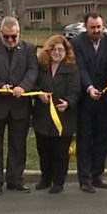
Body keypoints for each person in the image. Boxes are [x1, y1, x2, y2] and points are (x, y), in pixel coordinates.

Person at [0, 16, 38, 196]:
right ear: (0, 33)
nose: (11, 41)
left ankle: (15, 179)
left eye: (14, 36)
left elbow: (32, 71)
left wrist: (23, 87)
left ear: (19, 33)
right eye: (7, 37)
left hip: (19, 106)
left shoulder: (29, 49)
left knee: (18, 145)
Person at [71, 12, 107, 193]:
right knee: (84, 140)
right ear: (86, 27)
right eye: (93, 27)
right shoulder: (77, 43)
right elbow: (80, 68)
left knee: (103, 138)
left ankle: (97, 175)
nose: (96, 30)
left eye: (99, 27)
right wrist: (89, 87)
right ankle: (85, 179)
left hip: (106, 99)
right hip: (86, 99)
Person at [32, 35, 81, 194]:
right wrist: (39, 95)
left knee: (60, 152)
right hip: (43, 116)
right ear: (48, 50)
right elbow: (34, 85)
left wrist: (68, 102)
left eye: (61, 50)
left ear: (66, 52)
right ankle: (45, 178)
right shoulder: (41, 67)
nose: (58, 52)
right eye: (54, 49)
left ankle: (58, 182)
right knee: (44, 150)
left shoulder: (72, 68)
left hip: (63, 117)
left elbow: (76, 91)